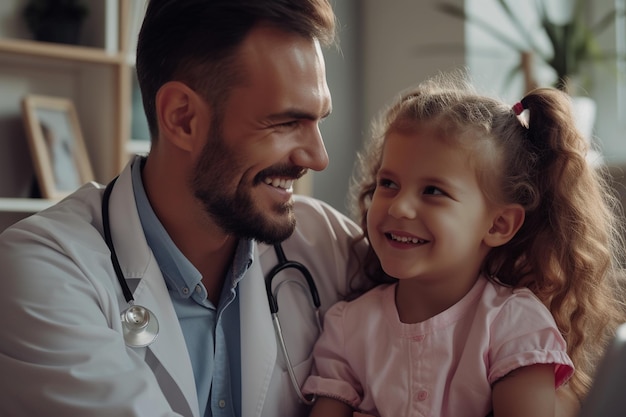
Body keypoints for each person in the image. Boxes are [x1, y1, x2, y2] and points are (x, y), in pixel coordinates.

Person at [0, 1, 368, 416]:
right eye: (286, 123)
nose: (318, 157)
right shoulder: (40, 269)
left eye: (318, 120)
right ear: (182, 118)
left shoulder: (328, 245)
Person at [302, 72, 626, 417]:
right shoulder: (347, 325)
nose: (398, 207)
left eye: (433, 191)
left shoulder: (514, 325)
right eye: (388, 183)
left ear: (499, 225)